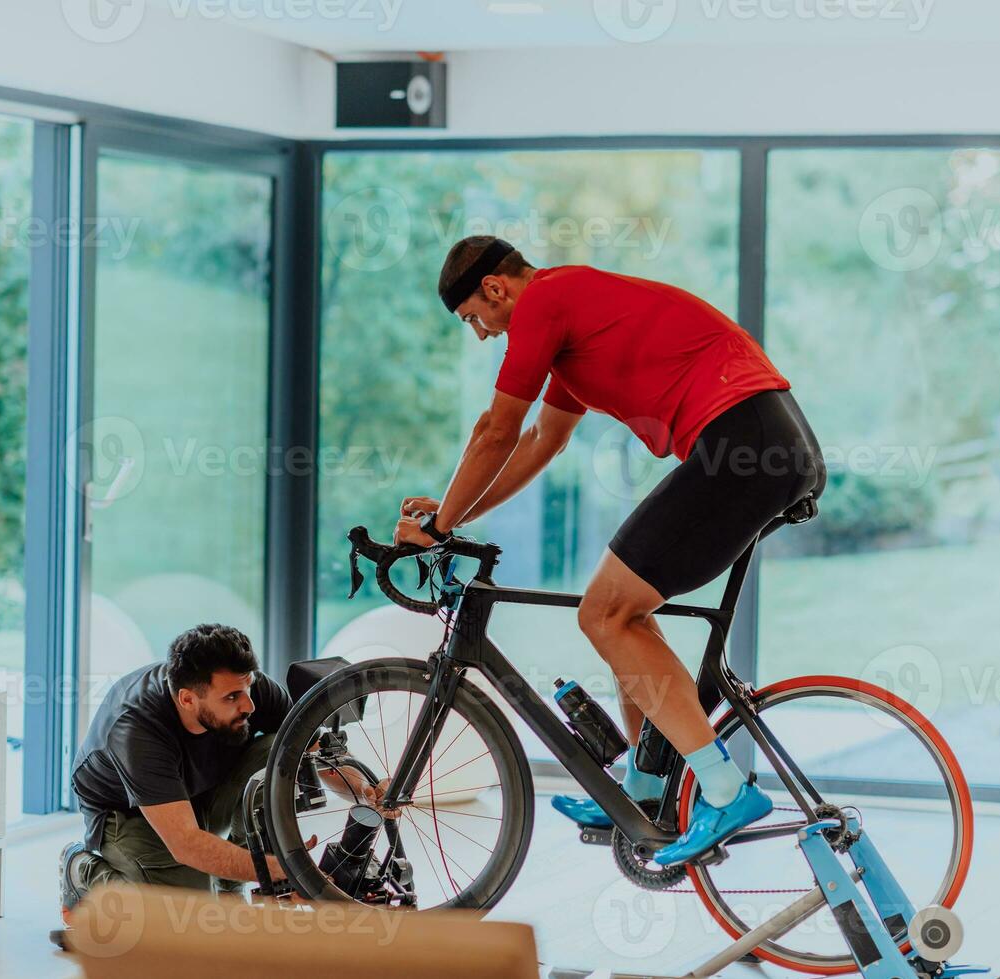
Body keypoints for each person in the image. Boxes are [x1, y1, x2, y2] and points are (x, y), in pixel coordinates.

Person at [393, 237, 825, 867]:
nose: (482, 335)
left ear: (495, 288)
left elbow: (496, 429)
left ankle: (725, 788)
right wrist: (452, 517)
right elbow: (542, 441)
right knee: (623, 611)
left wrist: (439, 529)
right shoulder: (570, 327)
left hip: (745, 440)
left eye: (474, 320)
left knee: (605, 613)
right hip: (758, 438)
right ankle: (646, 789)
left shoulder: (544, 300)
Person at [57, 623, 388, 924]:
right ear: (187, 699)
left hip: (201, 791)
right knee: (178, 920)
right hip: (131, 814)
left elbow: (317, 752)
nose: (249, 706)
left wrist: (368, 792)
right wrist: (277, 870)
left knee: (282, 747)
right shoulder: (135, 730)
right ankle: (81, 869)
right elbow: (185, 843)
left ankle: (230, 888)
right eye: (232, 697)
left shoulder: (252, 692)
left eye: (248, 687)